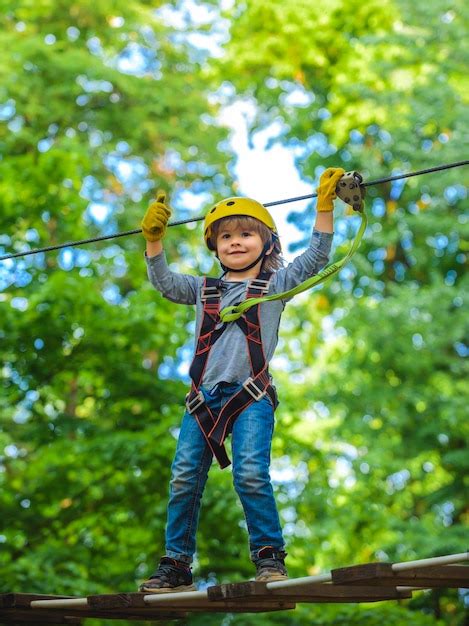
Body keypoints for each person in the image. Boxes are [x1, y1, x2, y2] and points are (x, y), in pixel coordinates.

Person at [139, 167, 345, 593]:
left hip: (251, 396)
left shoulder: (277, 283)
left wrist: (324, 208)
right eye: (226, 236)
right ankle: (176, 565)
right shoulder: (201, 289)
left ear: (267, 242)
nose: (236, 242)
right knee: (182, 479)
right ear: (214, 246)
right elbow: (163, 281)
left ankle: (269, 556)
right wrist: (154, 242)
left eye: (246, 234)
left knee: (250, 473)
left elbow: (315, 258)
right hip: (202, 399)